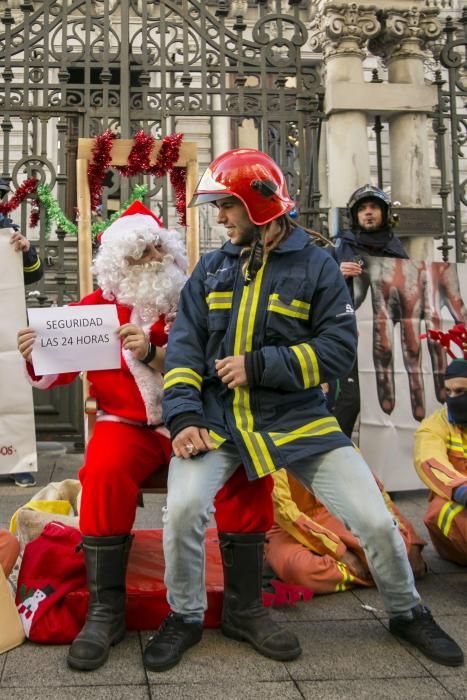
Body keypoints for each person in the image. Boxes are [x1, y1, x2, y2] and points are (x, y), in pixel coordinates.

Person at [144, 149, 463, 671]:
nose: (219, 217)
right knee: (181, 511)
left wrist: (260, 365)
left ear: (259, 205)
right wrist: (184, 418)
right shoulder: (212, 267)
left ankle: (407, 612)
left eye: (226, 205)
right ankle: (184, 616)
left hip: (301, 421)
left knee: (377, 523)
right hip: (218, 422)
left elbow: (338, 350)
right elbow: (183, 347)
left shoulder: (318, 265)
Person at [16, 200, 274, 671]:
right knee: (103, 470)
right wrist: (36, 352)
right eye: (141, 252)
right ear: (119, 263)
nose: (155, 258)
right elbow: (55, 374)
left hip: (197, 418)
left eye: (160, 248)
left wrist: (154, 352)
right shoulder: (94, 311)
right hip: (127, 424)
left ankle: (245, 605)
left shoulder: (196, 301)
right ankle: (106, 610)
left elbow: (215, 366)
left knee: (246, 472)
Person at [265, 467, 427, 594]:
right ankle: (383, 575)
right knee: (298, 570)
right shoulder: (268, 442)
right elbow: (286, 513)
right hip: (283, 526)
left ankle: (376, 572)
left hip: (330, 512)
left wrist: (412, 542)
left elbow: (376, 493)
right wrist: (341, 552)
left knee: (397, 548)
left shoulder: (330, 434)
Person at [332, 184, 408, 437]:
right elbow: (313, 289)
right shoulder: (339, 250)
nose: (368, 213)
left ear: (384, 213)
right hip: (348, 339)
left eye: (374, 207)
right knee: (348, 401)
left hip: (388, 338)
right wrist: (337, 275)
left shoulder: (397, 251)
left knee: (390, 399)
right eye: (362, 209)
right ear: (354, 216)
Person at [1, 178, 43, 487]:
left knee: (10, 386)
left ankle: (15, 460)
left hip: (5, 325)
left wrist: (26, 251)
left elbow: (33, 275)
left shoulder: (7, 229)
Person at [414, 348, 467, 566]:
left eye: (461, 392)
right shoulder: (435, 424)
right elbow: (428, 459)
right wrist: (461, 489)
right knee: (441, 511)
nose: (452, 398)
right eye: (448, 391)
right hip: (456, 501)